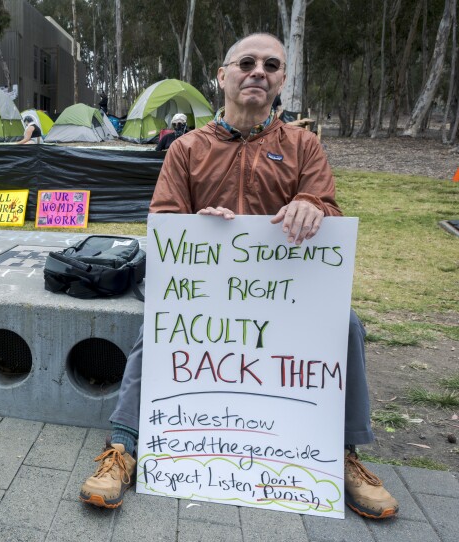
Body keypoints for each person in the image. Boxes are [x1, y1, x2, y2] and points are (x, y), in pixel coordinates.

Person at [79, 32, 399, 521]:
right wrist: (194, 226)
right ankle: (124, 447)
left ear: (282, 81)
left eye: (271, 65)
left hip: (287, 297)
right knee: (156, 329)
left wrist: (312, 207)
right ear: (222, 76)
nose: (258, 71)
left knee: (347, 326)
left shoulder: (304, 146)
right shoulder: (186, 148)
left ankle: (343, 455)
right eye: (246, 62)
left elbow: (330, 211)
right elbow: (165, 220)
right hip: (205, 299)